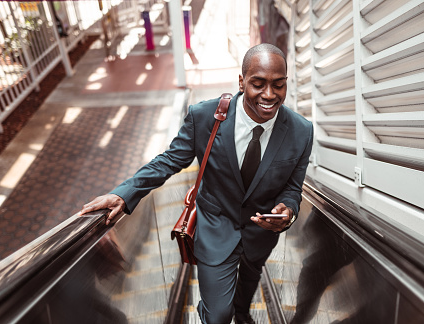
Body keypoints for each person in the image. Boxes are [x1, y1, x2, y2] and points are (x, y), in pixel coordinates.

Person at [79, 43, 313, 324]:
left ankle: (242, 313)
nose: (269, 95)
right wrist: (124, 194)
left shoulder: (301, 131)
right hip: (216, 228)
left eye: (278, 85)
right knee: (218, 316)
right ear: (241, 81)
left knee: (249, 281)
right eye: (258, 84)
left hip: (260, 236)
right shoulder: (204, 117)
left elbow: (293, 188)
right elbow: (168, 161)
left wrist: (287, 211)